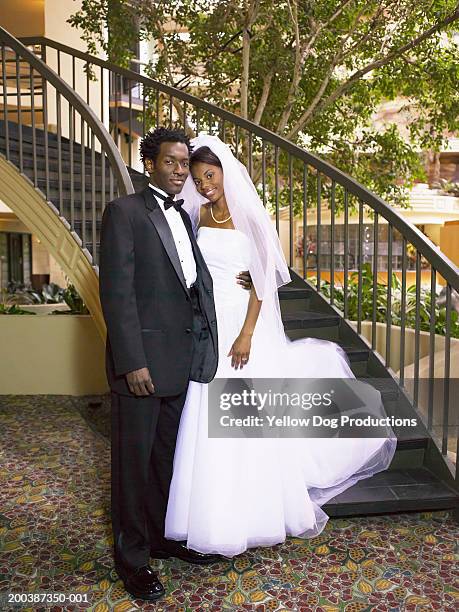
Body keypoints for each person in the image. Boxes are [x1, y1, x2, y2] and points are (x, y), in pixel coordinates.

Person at [165, 135, 397, 558]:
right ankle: (205, 512)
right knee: (204, 412)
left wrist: (247, 333)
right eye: (198, 179)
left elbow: (265, 276)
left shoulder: (249, 216)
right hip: (210, 325)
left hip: (242, 327)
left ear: (226, 172)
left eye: (210, 175)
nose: (205, 184)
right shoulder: (196, 214)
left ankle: (253, 514)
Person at [99, 128, 251, 601]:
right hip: (142, 366)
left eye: (185, 163)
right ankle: (132, 559)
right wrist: (132, 362)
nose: (180, 171)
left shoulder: (186, 218)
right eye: (171, 162)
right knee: (132, 464)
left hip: (182, 361)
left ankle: (161, 539)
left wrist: (248, 286)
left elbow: (193, 285)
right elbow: (117, 294)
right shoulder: (124, 213)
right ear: (150, 163)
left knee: (164, 458)